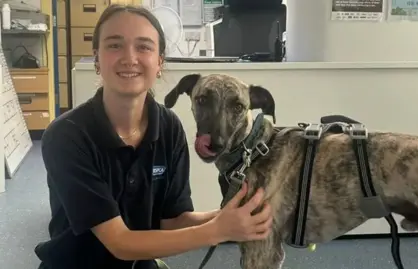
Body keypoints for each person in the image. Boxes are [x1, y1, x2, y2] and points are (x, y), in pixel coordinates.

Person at [34, 4, 273, 269]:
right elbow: (120, 243)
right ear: (97, 60)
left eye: (144, 47)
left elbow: (172, 220)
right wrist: (217, 230)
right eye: (114, 45)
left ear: (159, 62)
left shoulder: (168, 127)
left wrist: (228, 218)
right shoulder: (67, 136)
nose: (129, 58)